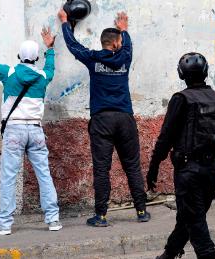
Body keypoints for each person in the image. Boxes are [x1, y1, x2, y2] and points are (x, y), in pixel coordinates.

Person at [58, 9, 150, 226]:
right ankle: (141, 211)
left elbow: (73, 46)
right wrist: (124, 30)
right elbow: (128, 46)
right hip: (125, 119)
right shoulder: (124, 57)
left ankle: (101, 215)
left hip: (102, 121)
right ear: (116, 43)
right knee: (132, 167)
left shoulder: (92, 59)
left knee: (102, 169)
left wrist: (65, 23)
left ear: (103, 43)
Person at [0, 21, 62, 235]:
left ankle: (4, 225)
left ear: (19, 56)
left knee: (9, 177)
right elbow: (50, 67)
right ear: (35, 58)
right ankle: (53, 220)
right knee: (44, 175)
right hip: (36, 130)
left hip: (14, 131)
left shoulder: (9, 73)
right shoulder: (43, 77)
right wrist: (50, 48)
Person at [147, 53, 215, 259]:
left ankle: (207, 255)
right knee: (189, 216)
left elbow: (166, 136)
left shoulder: (181, 99)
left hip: (189, 170)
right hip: (212, 170)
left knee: (194, 220)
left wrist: (154, 167)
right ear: (205, 72)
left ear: (181, 74)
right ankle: (169, 253)